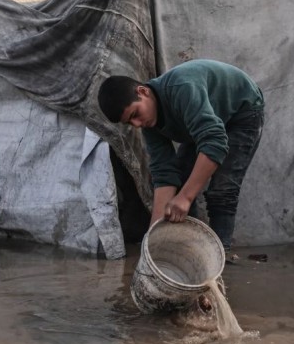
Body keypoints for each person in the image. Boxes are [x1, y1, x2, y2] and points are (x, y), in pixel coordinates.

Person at [97, 59, 264, 251]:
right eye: (129, 123)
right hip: (206, 124)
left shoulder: (182, 87)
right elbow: (164, 173)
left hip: (242, 111)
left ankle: (218, 257)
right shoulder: (148, 123)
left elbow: (215, 143)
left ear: (143, 92)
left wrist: (185, 197)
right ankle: (188, 251)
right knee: (183, 183)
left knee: (222, 190)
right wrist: (153, 238)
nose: (136, 124)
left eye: (135, 114)